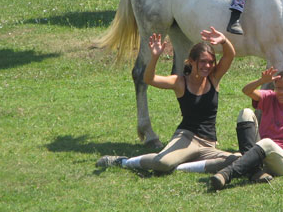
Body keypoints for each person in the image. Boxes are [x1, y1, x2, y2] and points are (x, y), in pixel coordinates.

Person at [96, 27, 239, 174]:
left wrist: (224, 41)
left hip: (209, 144)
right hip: (186, 137)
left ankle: (179, 167)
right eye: (203, 62)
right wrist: (155, 57)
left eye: (211, 62)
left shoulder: (213, 78)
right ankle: (124, 161)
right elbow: (149, 79)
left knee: (237, 159)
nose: (207, 66)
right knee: (163, 163)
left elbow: (230, 55)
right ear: (191, 62)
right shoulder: (179, 82)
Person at [209, 67, 283, 190]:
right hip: (261, 151)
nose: (282, 92)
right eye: (278, 88)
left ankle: (226, 174)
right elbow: (246, 90)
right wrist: (261, 81)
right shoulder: (269, 97)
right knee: (245, 113)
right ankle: (254, 170)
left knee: (267, 142)